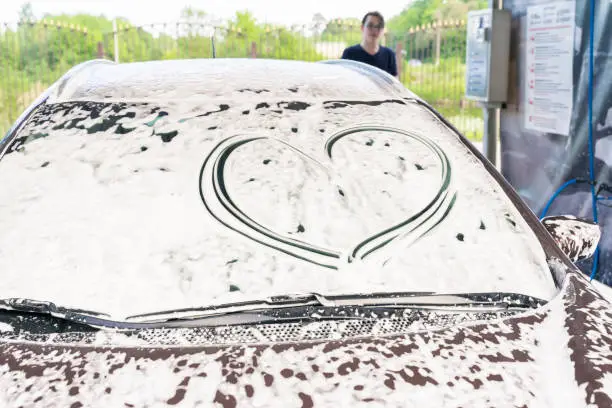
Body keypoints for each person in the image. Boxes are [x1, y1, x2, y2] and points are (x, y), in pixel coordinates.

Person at [341, 11, 398, 78]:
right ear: (362, 27)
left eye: (378, 26)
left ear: (382, 30)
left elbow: (394, 83)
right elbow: (343, 80)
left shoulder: (389, 54)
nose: (374, 30)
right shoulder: (349, 53)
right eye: (370, 25)